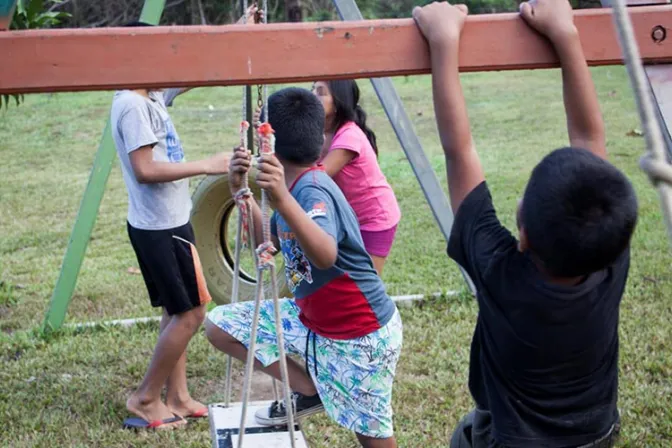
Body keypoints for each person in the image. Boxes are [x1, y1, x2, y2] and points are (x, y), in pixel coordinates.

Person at [413, 1, 637, 447]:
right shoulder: (609, 257)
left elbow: (460, 153)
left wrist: (442, 42)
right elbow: (590, 140)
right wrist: (566, 33)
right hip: (594, 435)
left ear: (524, 235)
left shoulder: (500, 272)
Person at [205, 87, 403, 448]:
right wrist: (241, 192)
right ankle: (308, 388)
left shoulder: (311, 189)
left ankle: (318, 387)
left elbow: (325, 254)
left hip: (361, 334)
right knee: (221, 327)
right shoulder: (293, 185)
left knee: (371, 436)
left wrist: (281, 197)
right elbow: (271, 242)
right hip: (312, 323)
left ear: (269, 145)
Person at [113, 6, 263, 430]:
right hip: (161, 227)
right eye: (161, 57)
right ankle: (145, 398)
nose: (170, 66)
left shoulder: (150, 94)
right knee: (193, 313)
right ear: (138, 60)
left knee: (176, 310)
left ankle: (176, 395)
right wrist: (206, 164)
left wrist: (236, 32)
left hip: (164, 223)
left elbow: (199, 69)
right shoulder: (132, 105)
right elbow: (144, 169)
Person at [312, 80, 401, 275]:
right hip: (348, 220)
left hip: (375, 218)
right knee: (343, 281)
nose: (312, 96)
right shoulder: (320, 132)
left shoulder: (349, 136)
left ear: (337, 103)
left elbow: (318, 177)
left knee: (366, 284)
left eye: (320, 92)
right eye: (312, 89)